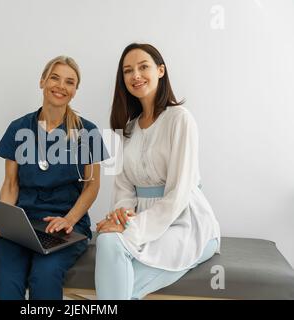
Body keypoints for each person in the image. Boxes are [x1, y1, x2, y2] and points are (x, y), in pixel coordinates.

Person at [95, 43, 221, 300]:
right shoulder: (127, 129)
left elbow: (179, 193)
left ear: (160, 70)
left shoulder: (180, 119)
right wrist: (121, 217)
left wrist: (132, 228)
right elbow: (123, 189)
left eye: (143, 67)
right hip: (140, 221)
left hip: (186, 223)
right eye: (128, 71)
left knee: (119, 278)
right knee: (108, 242)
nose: (135, 75)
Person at [0, 56, 108, 300]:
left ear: (74, 91)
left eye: (69, 82)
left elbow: (92, 185)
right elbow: (10, 184)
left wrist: (69, 220)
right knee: (6, 276)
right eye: (55, 78)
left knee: (45, 274)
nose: (61, 86)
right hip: (21, 224)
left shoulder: (87, 132)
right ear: (42, 81)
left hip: (67, 225)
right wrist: (0, 219)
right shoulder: (19, 128)